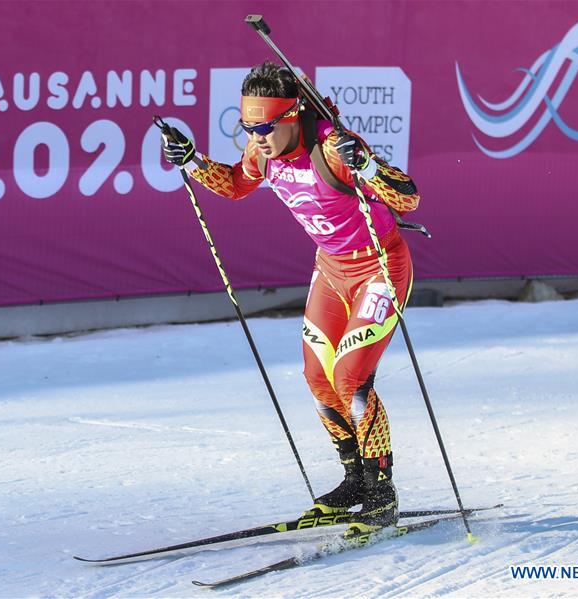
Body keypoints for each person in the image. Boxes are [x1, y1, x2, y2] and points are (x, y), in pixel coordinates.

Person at [161, 61, 421, 538]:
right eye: (247, 127)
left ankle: (382, 494)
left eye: (264, 128)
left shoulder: (333, 149)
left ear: (292, 116)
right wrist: (191, 160)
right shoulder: (262, 152)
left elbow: (408, 199)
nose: (256, 138)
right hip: (331, 269)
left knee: (351, 378)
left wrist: (366, 166)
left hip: (380, 267)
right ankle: (354, 482)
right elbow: (237, 185)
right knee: (318, 377)